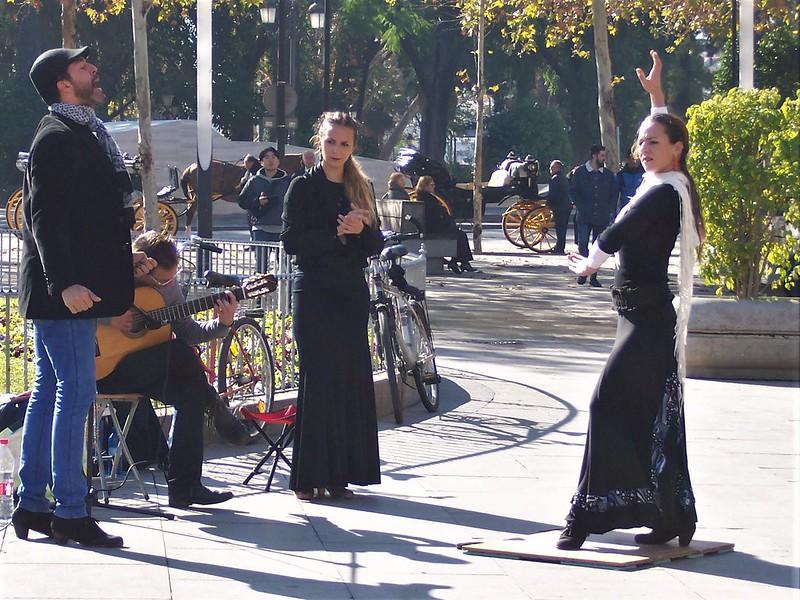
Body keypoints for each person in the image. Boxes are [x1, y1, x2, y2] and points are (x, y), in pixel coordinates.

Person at [559, 49, 704, 551]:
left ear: (676, 149)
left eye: (653, 141)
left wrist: (591, 262)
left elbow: (622, 228)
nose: (643, 148)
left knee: (605, 404)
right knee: (648, 414)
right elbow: (664, 136)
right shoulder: (664, 180)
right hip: (636, 315)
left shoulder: (666, 192)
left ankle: (587, 517)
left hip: (647, 320)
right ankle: (665, 516)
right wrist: (656, 99)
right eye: (641, 140)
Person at [14, 46, 156, 548]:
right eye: (82, 67)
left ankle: (31, 503)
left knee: (52, 392)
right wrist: (65, 283)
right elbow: (45, 219)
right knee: (75, 395)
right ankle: (70, 512)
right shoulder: (57, 137)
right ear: (61, 83)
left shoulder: (83, 131)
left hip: (71, 289)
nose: (94, 70)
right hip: (67, 293)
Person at [97, 231, 247, 508]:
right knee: (179, 354)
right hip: (104, 368)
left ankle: (185, 488)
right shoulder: (111, 274)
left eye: (172, 279)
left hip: (149, 368)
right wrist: (110, 317)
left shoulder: (169, 287)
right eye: (162, 280)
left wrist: (223, 323)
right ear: (145, 264)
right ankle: (217, 410)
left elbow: (188, 331)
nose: (168, 285)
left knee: (190, 393)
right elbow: (73, 310)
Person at [281, 112, 384, 501]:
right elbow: (292, 242)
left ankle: (340, 474)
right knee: (319, 378)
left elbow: (375, 247)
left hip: (350, 293)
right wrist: (335, 232)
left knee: (348, 378)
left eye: (344, 143)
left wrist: (363, 231)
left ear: (353, 146)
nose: (337, 150)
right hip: (315, 292)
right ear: (319, 141)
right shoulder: (302, 187)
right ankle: (307, 478)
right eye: (330, 142)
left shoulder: (361, 187)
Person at [569, 144, 618, 287]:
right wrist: (579, 205)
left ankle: (594, 277)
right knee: (583, 244)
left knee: (597, 246)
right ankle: (583, 272)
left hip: (601, 216)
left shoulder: (608, 175)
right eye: (602, 155)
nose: (604, 158)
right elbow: (573, 191)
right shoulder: (580, 172)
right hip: (584, 214)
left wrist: (610, 209)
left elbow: (613, 194)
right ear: (594, 156)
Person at [238, 146, 291, 272]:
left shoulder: (288, 181)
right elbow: (242, 201)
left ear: (278, 161)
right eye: (266, 157)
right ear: (261, 162)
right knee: (261, 267)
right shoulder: (254, 181)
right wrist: (257, 202)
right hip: (261, 229)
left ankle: (286, 292)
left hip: (283, 229)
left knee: (286, 268)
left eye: (274, 157)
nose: (270, 160)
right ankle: (262, 291)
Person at [414, 175, 477, 273]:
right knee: (460, 235)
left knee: (458, 233)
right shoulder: (427, 198)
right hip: (433, 228)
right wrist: (445, 216)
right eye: (431, 185)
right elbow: (436, 213)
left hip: (430, 226)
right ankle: (462, 262)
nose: (433, 187)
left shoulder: (422, 196)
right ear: (425, 186)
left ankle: (458, 261)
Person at [547, 160, 571, 255]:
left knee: (560, 228)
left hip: (559, 206)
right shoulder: (563, 178)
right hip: (565, 206)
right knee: (562, 228)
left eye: (552, 168)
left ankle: (560, 248)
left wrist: (548, 204)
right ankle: (560, 246)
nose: (550, 170)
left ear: (557, 168)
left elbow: (552, 194)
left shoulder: (555, 179)